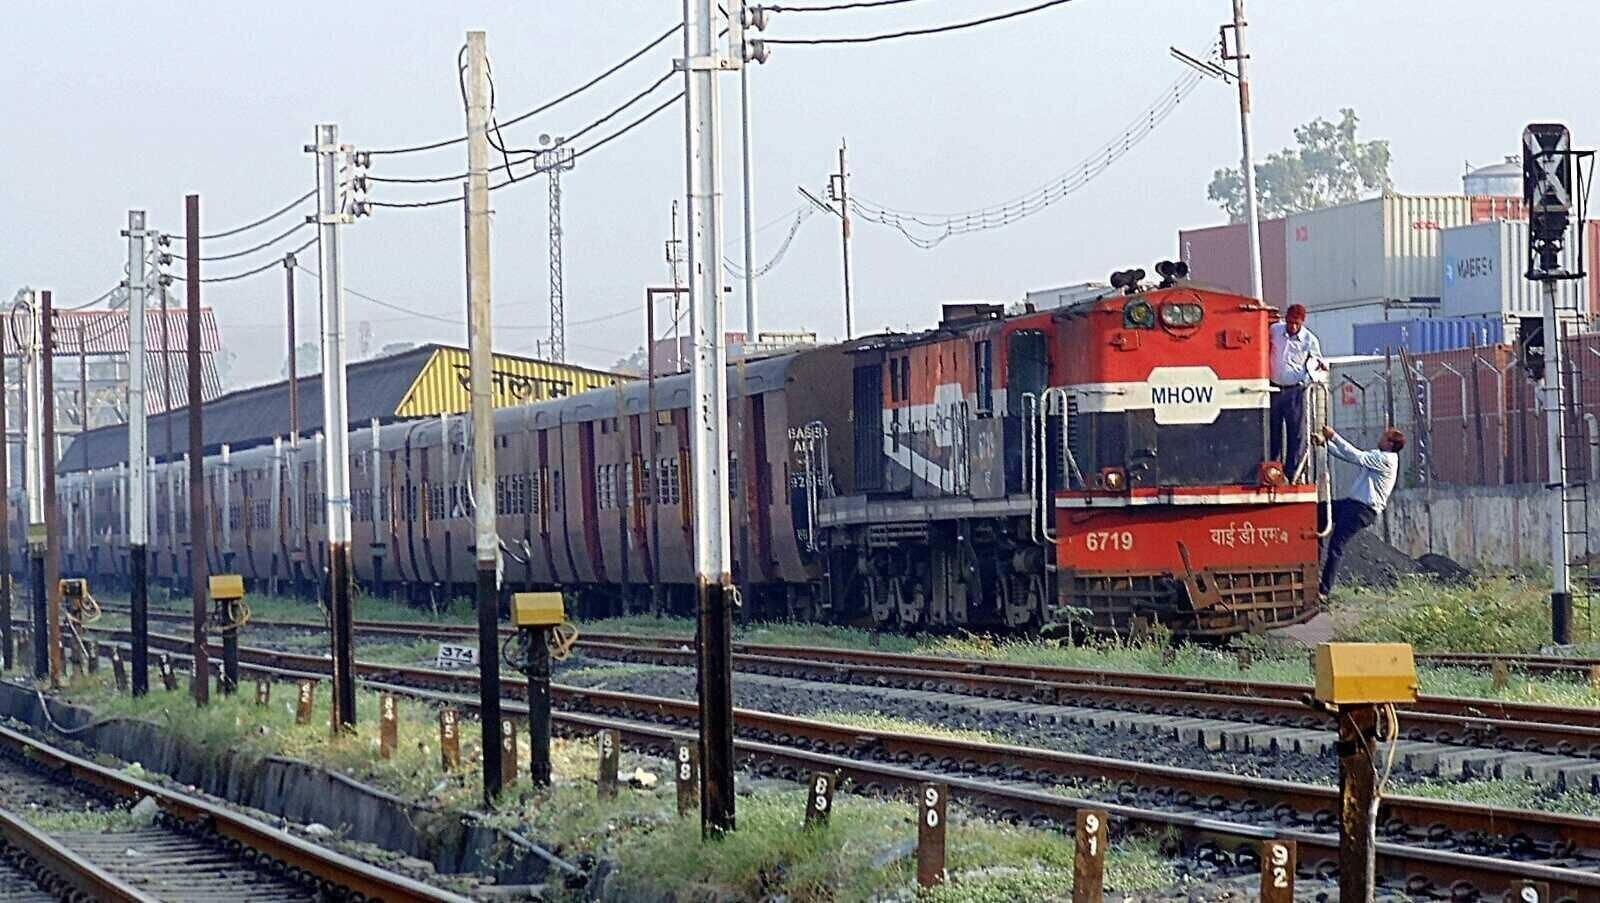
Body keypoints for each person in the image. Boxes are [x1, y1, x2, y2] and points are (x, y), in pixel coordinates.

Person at [1316, 424, 1404, 598]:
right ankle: (1313, 566)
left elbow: (1356, 455)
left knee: (1336, 545)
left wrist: (1333, 436)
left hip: (1362, 510)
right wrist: (1325, 445)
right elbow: (1348, 456)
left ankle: (1323, 591)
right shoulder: (1379, 456)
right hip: (1352, 505)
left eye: (1384, 437)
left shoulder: (1386, 460)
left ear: (1390, 444)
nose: (1380, 439)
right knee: (1318, 512)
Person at [1268, 304, 1325, 478]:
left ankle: (1292, 472)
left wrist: (1315, 370)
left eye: (1296, 323)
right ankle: (1273, 470)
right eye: (1290, 322)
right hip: (1274, 389)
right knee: (1272, 431)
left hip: (1295, 390)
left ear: (1302, 322)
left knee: (1296, 433)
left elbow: (1317, 362)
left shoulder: (1310, 340)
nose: (1292, 326)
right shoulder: (1275, 330)